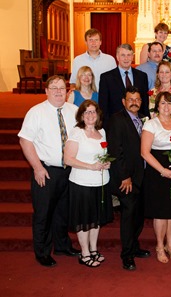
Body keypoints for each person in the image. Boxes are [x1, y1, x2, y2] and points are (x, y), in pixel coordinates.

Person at [18, 75, 80, 267]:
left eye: (62, 88)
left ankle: (62, 245)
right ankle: (42, 252)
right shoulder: (36, 112)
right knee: (43, 214)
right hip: (46, 170)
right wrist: (37, 167)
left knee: (63, 212)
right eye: (53, 88)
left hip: (69, 171)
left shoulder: (74, 111)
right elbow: (25, 140)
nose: (58, 91)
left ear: (67, 91)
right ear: (46, 91)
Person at [141, 91, 171, 264]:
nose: (166, 106)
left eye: (169, 103)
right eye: (162, 103)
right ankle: (160, 246)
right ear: (157, 105)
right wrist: (162, 169)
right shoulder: (151, 124)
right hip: (157, 170)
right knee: (161, 211)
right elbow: (144, 152)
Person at [64, 100, 112, 268]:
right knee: (84, 219)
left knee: (96, 219)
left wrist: (106, 163)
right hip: (81, 183)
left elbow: (102, 155)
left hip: (101, 182)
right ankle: (84, 253)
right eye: (87, 112)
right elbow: (68, 159)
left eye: (93, 112)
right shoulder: (77, 132)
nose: (91, 115)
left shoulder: (102, 132)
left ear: (98, 115)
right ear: (82, 116)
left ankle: (93, 249)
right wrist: (90, 167)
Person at [107, 86, 150, 271]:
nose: (134, 102)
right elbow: (116, 151)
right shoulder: (117, 120)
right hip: (127, 179)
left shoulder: (143, 119)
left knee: (138, 215)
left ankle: (134, 246)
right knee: (128, 217)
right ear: (124, 101)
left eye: (137, 99)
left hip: (141, 177)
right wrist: (125, 177)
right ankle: (127, 255)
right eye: (130, 99)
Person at [98, 43, 149, 126]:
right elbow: (103, 106)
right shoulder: (106, 78)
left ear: (132, 57)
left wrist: (146, 124)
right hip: (115, 125)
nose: (126, 58)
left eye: (129, 55)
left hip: (138, 125)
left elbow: (145, 104)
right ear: (117, 57)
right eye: (123, 55)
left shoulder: (142, 76)